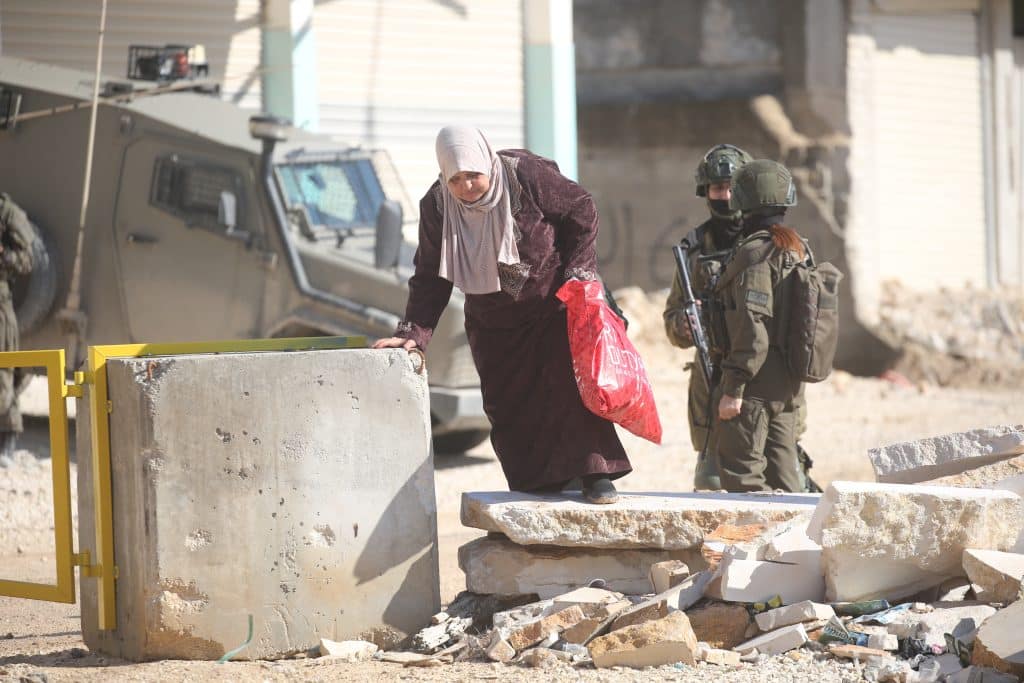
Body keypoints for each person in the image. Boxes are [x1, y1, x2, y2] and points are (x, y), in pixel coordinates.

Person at [372, 126, 631, 504]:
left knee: (570, 391)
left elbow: (581, 208)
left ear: (487, 165)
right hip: (493, 322)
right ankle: (538, 486)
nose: (466, 187)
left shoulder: (525, 176)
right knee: (508, 406)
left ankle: (595, 476)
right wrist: (415, 332)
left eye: (473, 175)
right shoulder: (438, 206)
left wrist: (580, 270)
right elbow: (430, 274)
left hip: (552, 306)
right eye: (455, 179)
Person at [708, 159, 809, 492]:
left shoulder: (756, 254)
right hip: (790, 386)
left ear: (742, 201)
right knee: (788, 482)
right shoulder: (798, 248)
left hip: (754, 388)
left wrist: (734, 389)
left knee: (743, 480)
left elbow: (752, 327)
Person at [663, 144, 752, 491]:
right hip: (710, 382)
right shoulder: (693, 250)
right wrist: (682, 324)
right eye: (718, 188)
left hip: (758, 380)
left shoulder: (765, 241)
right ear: (706, 192)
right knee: (711, 486)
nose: (725, 196)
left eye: (732, 187)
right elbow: (672, 316)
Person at [0, 194, 34, 459]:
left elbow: (27, 261)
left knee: (3, 370)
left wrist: (2, 253)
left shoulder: (10, 214)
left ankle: (8, 437)